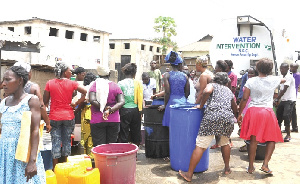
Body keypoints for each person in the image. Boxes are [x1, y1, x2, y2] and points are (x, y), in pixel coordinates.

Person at [179, 72, 238, 182]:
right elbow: (234, 107)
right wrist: (236, 117)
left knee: (200, 146)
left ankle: (189, 174)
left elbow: (206, 91)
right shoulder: (228, 91)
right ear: (226, 82)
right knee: (225, 143)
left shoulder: (212, 85)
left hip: (212, 117)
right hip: (227, 118)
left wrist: (201, 105)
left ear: (215, 79)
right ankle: (227, 168)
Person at [238, 58, 285, 174]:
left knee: (253, 140)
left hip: (253, 111)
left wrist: (239, 113)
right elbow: (283, 80)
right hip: (267, 112)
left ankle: (250, 167)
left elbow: (244, 99)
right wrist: (275, 78)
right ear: (270, 69)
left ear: (257, 68)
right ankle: (265, 164)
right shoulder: (274, 80)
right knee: (272, 139)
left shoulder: (251, 81)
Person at [0, 66, 46, 183]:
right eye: (3, 80)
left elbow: (35, 130)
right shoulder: (3, 103)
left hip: (24, 154)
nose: (3, 84)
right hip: (6, 154)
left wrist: (32, 161)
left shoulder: (31, 100)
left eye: (8, 80)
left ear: (20, 80)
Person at [43, 62, 87, 169]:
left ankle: (55, 169)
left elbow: (44, 103)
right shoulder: (72, 83)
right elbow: (86, 92)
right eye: (69, 70)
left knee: (55, 142)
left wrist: (46, 121)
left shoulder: (49, 83)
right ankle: (66, 168)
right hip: (68, 116)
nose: (70, 72)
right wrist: (76, 103)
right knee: (67, 141)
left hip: (54, 117)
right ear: (64, 72)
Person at [89, 65, 125, 146]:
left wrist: (104, 108)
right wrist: (110, 110)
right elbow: (121, 101)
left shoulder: (95, 85)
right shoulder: (115, 86)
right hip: (113, 119)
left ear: (99, 75)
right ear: (109, 74)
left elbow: (92, 100)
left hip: (98, 119)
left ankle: (100, 159)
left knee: (99, 146)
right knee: (111, 146)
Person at [13, 61, 51, 133]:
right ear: (28, 74)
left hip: (13, 121)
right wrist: (48, 123)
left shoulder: (10, 86)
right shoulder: (33, 87)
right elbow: (41, 106)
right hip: (29, 122)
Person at [161, 51, 190, 127]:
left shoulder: (167, 75)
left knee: (171, 128)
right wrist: (183, 98)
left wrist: (165, 105)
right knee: (182, 126)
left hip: (171, 103)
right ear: (180, 64)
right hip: (183, 103)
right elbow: (187, 92)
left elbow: (167, 92)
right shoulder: (185, 76)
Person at [118, 63, 143, 146]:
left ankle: (124, 152)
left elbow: (118, 99)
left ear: (125, 73)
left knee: (123, 132)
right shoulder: (138, 83)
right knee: (136, 132)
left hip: (124, 110)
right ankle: (135, 153)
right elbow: (140, 97)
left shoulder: (120, 83)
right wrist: (141, 111)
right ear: (134, 73)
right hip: (136, 110)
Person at [74, 72, 97, 156]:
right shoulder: (96, 88)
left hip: (85, 114)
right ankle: (91, 157)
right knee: (91, 137)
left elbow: (82, 102)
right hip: (93, 114)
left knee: (83, 136)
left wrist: (76, 110)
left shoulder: (85, 88)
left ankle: (83, 156)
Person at [275, 63, 296, 142]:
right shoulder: (281, 77)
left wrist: (277, 99)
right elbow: (279, 88)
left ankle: (288, 134)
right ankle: (278, 133)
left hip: (289, 100)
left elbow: (284, 89)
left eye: (283, 69)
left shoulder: (289, 77)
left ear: (287, 69)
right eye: (280, 69)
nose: (281, 70)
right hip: (283, 100)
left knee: (286, 115)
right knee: (278, 116)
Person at [289, 63, 299, 132]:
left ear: (296, 68)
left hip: (292, 95)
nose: (292, 68)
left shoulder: (297, 75)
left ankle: (294, 127)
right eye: (291, 67)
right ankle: (294, 127)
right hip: (289, 95)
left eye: (293, 67)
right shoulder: (290, 74)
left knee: (291, 112)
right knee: (292, 111)